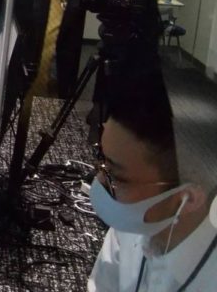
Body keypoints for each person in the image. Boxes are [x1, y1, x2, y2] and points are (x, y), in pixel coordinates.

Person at [88, 71, 216, 291]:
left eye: (117, 176)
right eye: (103, 161)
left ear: (188, 198)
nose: (99, 181)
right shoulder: (136, 221)